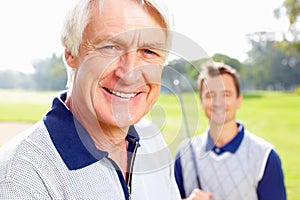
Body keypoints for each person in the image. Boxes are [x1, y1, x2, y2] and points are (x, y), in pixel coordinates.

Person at [0, 0, 181, 199]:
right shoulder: (22, 177)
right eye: (110, 47)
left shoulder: (153, 140)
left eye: (148, 52)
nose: (129, 73)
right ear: (71, 52)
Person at [174, 61, 286, 200]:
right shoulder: (184, 153)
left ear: (238, 100)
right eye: (210, 95)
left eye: (226, 94)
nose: (218, 102)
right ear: (201, 101)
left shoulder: (265, 156)